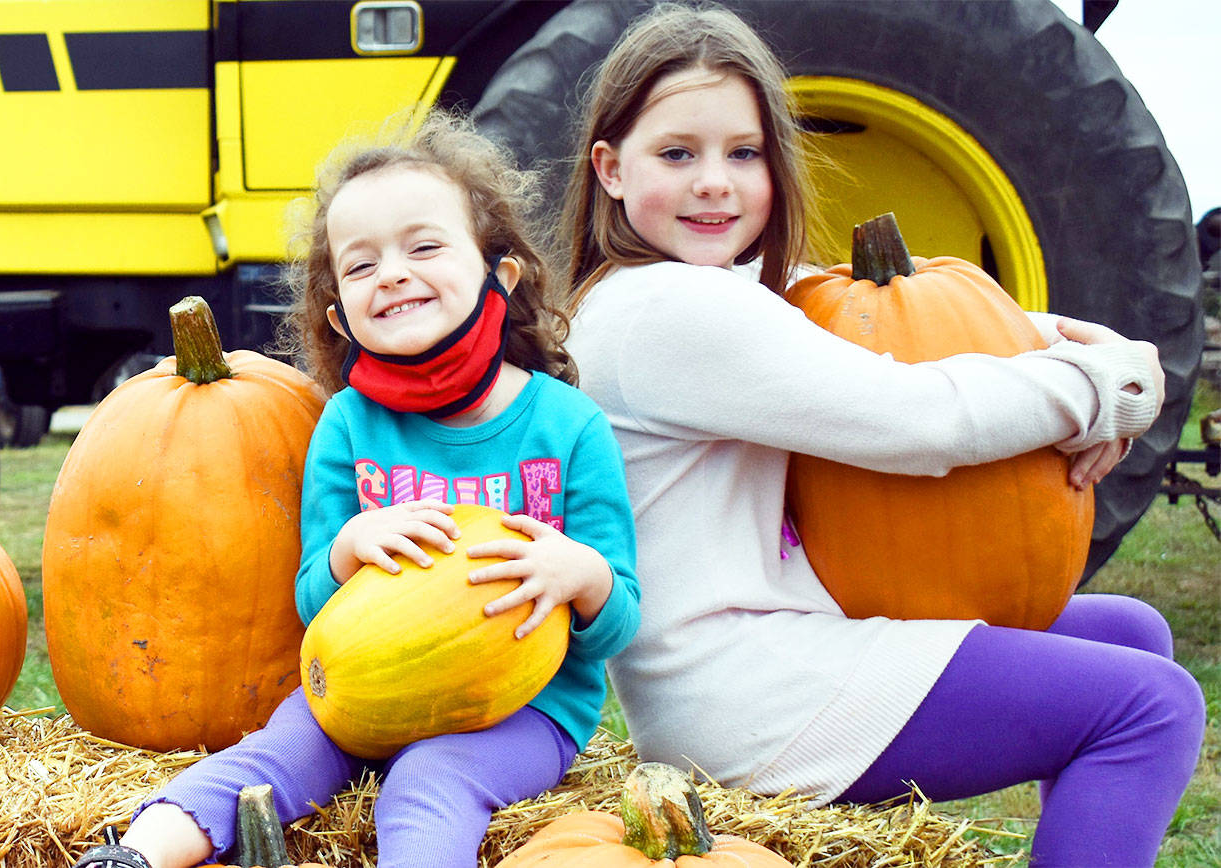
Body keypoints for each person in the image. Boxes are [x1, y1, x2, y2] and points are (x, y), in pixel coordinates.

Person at [558, 4, 1205, 866]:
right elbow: (918, 418)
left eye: (743, 153)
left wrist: (1112, 365)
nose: (714, 180)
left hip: (767, 648)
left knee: (1128, 634)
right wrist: (1101, 390)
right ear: (608, 168)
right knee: (1151, 705)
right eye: (678, 154)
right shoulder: (667, 311)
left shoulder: (688, 293)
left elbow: (937, 325)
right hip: (747, 694)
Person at [73, 112, 640, 868]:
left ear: (499, 274)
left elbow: (621, 619)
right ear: (340, 314)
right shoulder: (346, 425)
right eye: (362, 263)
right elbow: (313, 604)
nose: (394, 273)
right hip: (359, 693)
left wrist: (584, 575)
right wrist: (344, 551)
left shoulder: (569, 427)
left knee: (429, 780)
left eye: (425, 246)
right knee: (277, 753)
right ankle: (137, 855)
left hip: (520, 712)